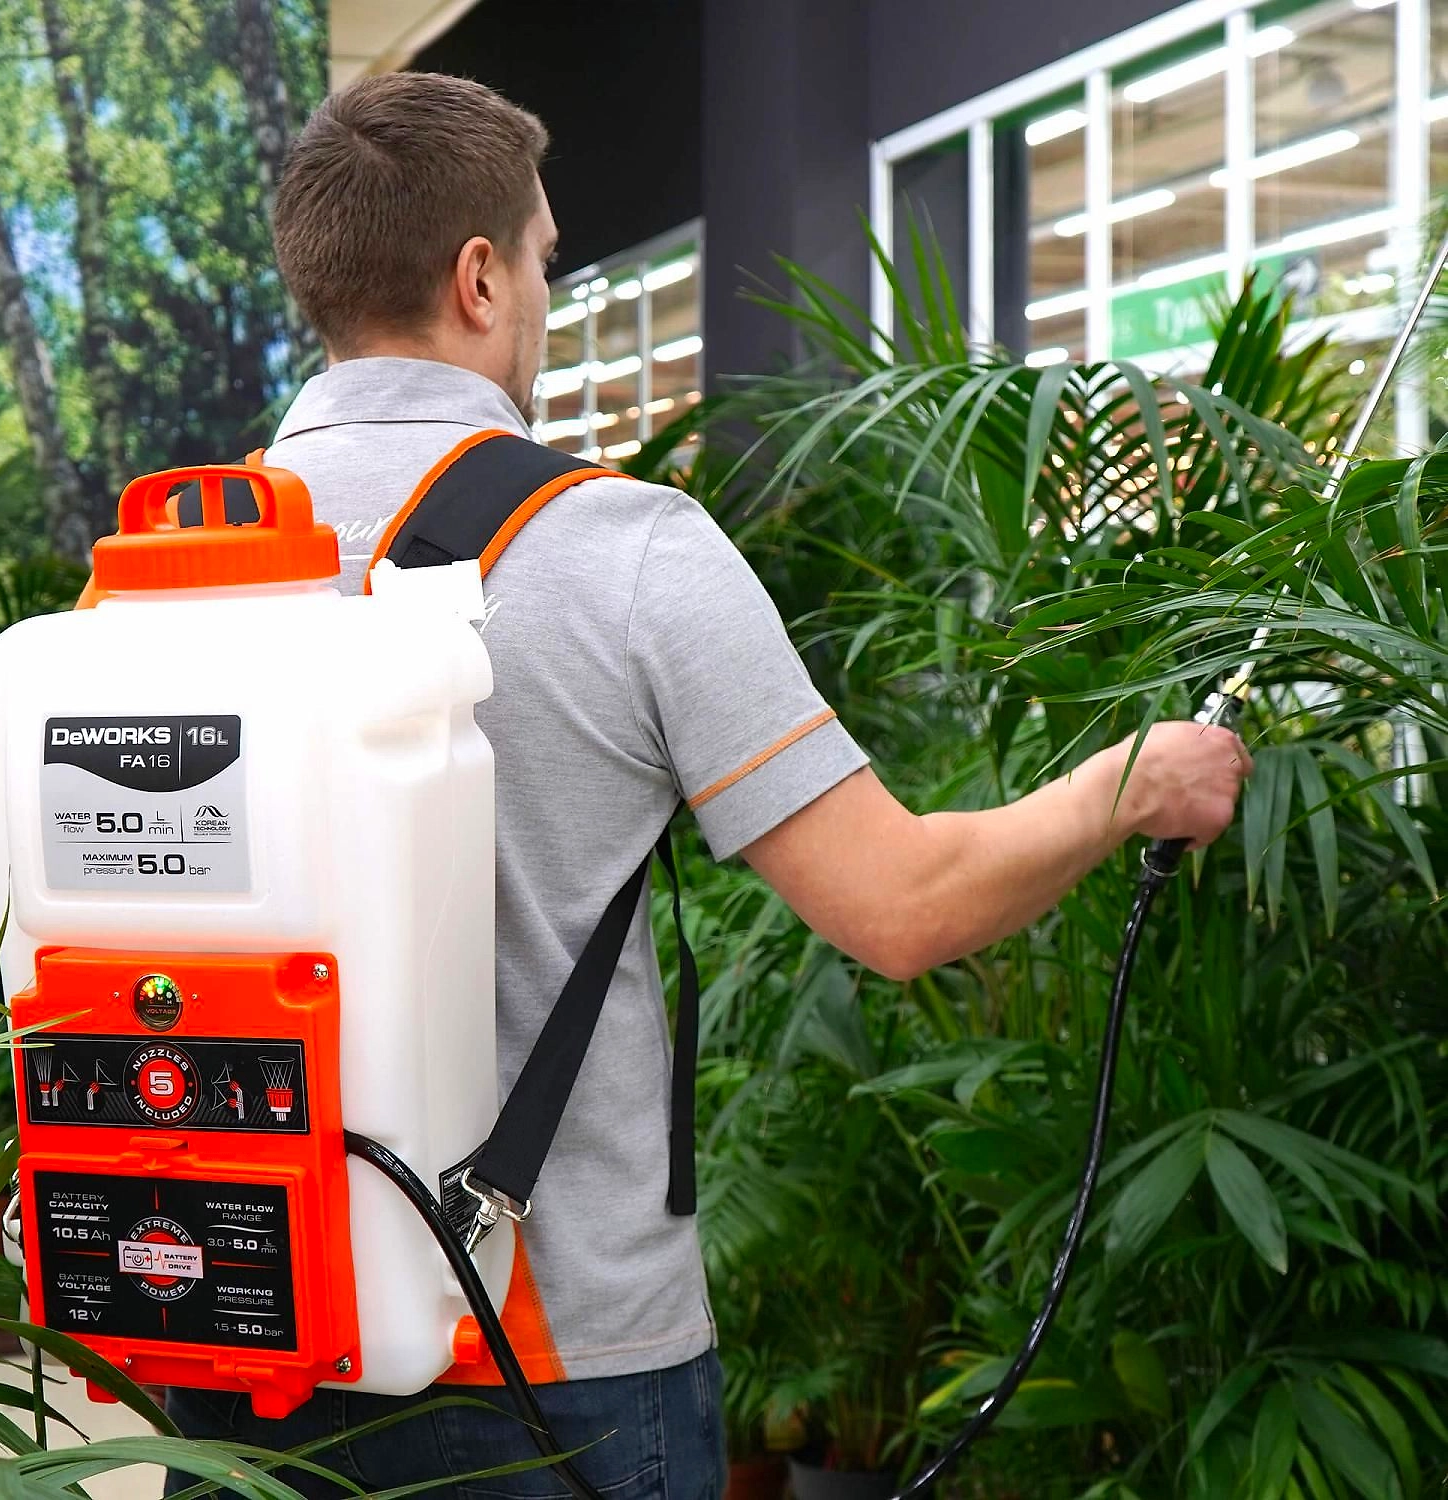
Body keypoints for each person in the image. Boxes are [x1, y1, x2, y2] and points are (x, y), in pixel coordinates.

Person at [161, 72, 1252, 1500]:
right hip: (551, 1380)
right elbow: (902, 907)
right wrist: (1132, 783)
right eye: (544, 260)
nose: (544, 297)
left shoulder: (168, 573)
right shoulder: (621, 548)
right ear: (479, 278)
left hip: (239, 1336)